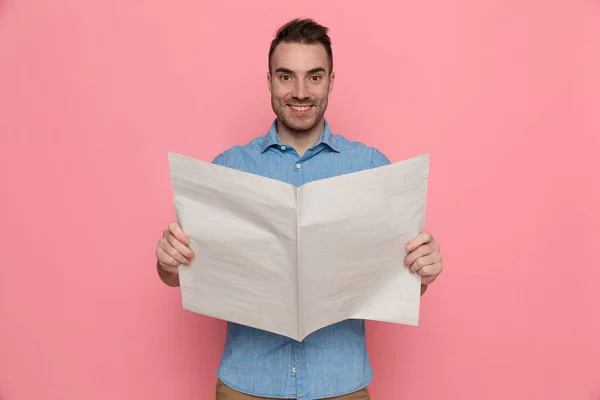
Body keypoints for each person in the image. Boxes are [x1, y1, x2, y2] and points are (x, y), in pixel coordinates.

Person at [155, 18, 444, 400]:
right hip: (247, 384)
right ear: (270, 81)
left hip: (340, 385)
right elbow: (179, 275)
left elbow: (396, 281)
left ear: (331, 81)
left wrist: (423, 272)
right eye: (286, 76)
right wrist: (167, 261)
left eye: (314, 76)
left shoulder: (371, 168)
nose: (301, 92)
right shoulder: (228, 168)